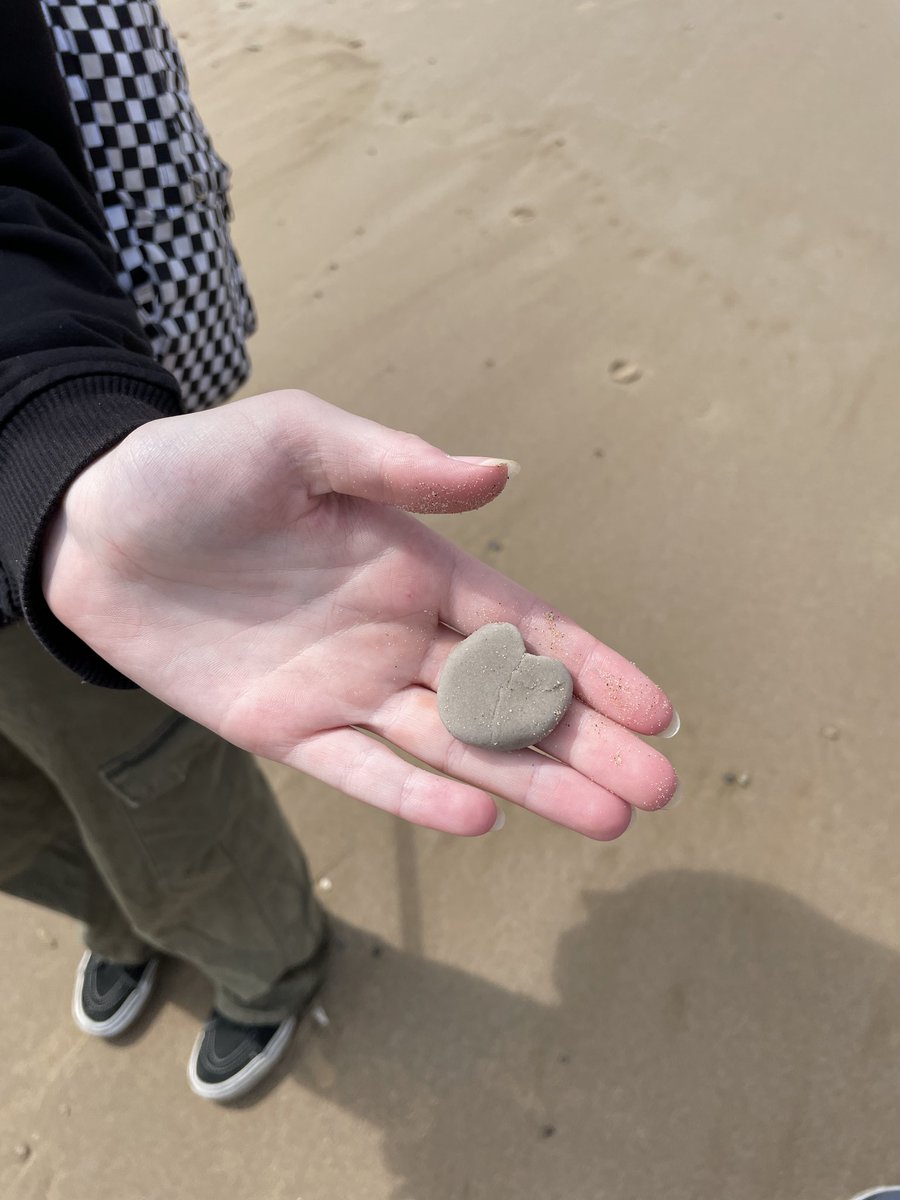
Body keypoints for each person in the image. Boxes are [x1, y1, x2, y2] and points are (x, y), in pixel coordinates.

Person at [0, 0, 679, 1102]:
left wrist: (40, 446)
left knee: (149, 786)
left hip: (31, 524)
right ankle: (116, 919)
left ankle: (262, 966)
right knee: (24, 830)